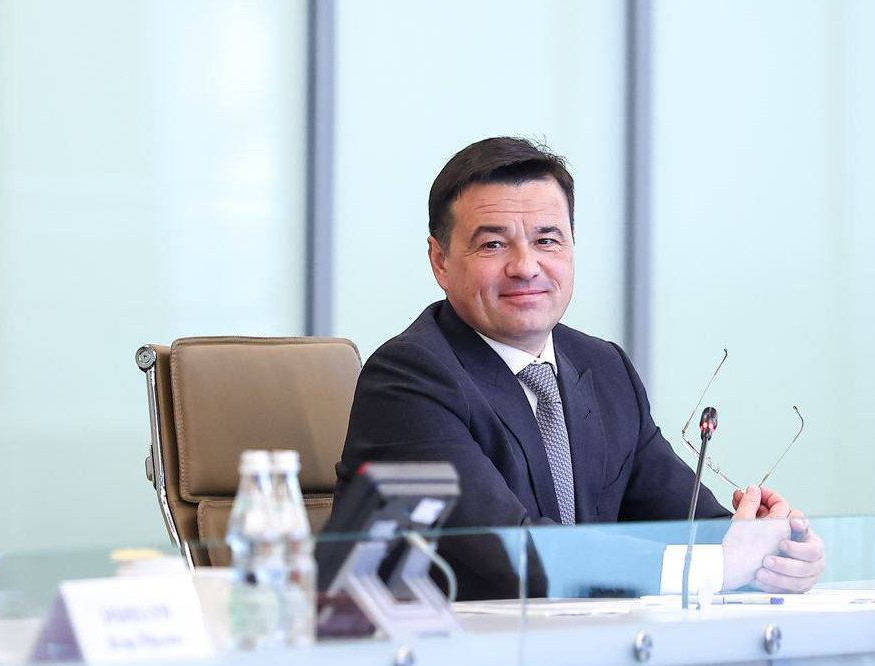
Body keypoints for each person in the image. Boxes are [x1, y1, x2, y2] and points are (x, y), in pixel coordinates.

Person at [336, 137, 824, 599]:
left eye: (547, 240)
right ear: (440, 261)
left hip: (589, 646)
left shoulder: (604, 368)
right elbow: (512, 551)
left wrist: (771, 551)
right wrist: (714, 569)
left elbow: (683, 520)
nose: (526, 266)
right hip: (448, 653)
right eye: (493, 245)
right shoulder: (407, 381)